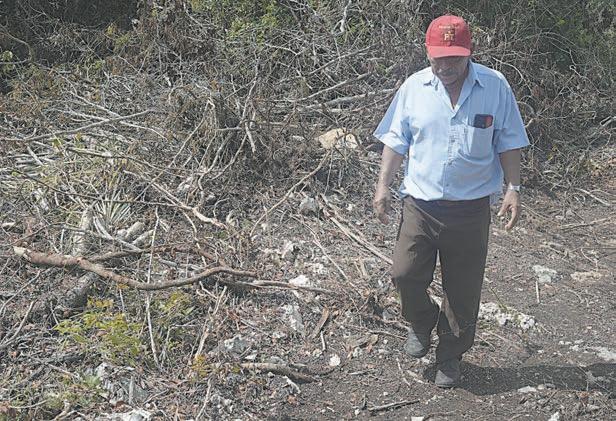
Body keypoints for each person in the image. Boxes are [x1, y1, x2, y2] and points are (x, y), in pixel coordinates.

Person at [372, 15, 529, 388]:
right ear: (428, 53)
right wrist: (382, 186)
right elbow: (396, 140)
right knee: (404, 274)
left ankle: (450, 356)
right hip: (420, 205)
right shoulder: (414, 88)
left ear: (469, 52)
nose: (445, 67)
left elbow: (509, 140)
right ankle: (422, 320)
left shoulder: (495, 86)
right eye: (438, 59)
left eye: (454, 59)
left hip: (470, 210)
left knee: (462, 290)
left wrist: (513, 188)